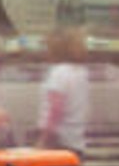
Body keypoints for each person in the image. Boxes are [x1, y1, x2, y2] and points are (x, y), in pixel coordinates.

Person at [37, 26, 93, 157]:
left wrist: (44, 139)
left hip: (58, 144)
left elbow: (55, 110)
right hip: (76, 143)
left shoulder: (59, 73)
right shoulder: (81, 72)